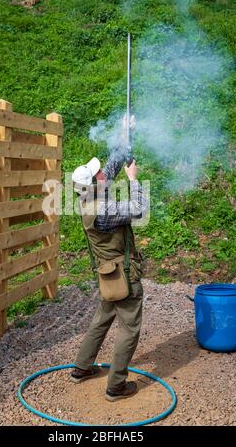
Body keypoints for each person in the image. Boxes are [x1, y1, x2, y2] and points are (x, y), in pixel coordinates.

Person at [70, 117, 147, 401]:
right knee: (129, 328)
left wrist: (125, 136)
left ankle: (82, 368)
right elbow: (138, 208)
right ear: (94, 184)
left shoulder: (88, 198)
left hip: (107, 273)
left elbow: (110, 168)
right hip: (124, 275)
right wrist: (134, 179)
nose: (102, 171)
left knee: (102, 319)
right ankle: (116, 386)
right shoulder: (105, 209)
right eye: (98, 172)